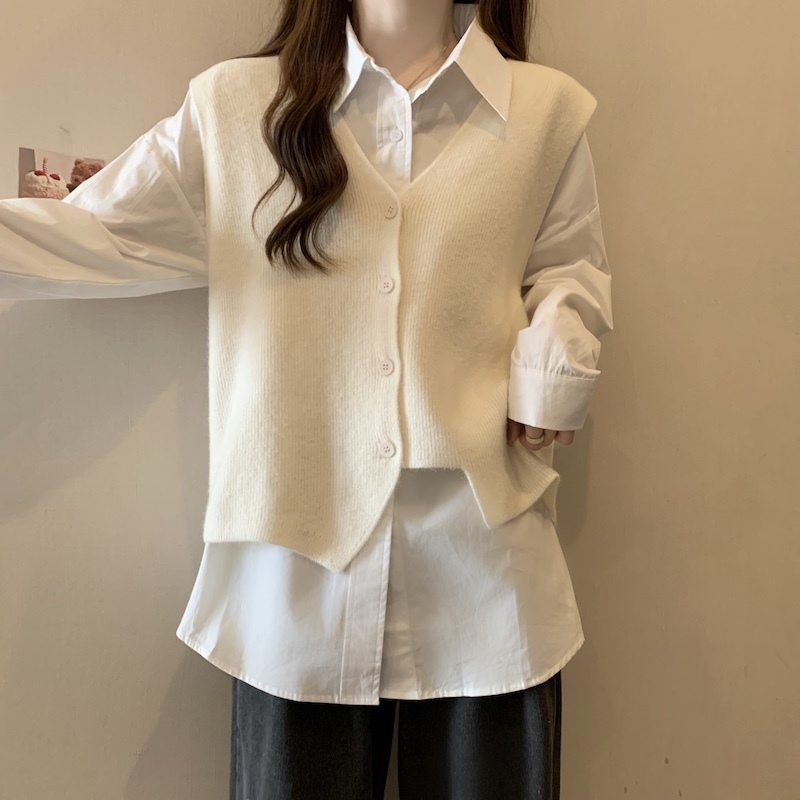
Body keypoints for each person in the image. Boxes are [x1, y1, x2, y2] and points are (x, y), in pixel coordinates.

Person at [0, 0, 613, 797]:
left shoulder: (545, 112)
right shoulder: (234, 108)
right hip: (292, 591)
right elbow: (98, 231)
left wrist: (553, 367)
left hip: (485, 583)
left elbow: (569, 270)